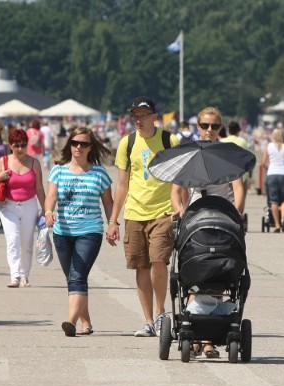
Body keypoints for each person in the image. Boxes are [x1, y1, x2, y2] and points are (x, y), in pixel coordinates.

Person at [170, 107, 246, 359]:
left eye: (214, 126)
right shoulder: (188, 155)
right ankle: (198, 335)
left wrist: (235, 215)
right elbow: (176, 191)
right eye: (205, 125)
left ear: (220, 129)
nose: (209, 131)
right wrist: (180, 211)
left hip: (222, 219)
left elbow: (238, 189)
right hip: (194, 221)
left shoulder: (226, 155)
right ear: (198, 126)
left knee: (218, 275)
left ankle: (207, 339)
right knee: (194, 274)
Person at [106, 96, 179, 337]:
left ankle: (160, 313)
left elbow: (180, 178)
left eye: (143, 115)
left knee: (159, 261)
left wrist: (180, 206)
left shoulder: (169, 140)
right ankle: (148, 320)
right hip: (135, 213)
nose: (138, 119)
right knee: (141, 266)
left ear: (154, 117)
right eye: (135, 115)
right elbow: (122, 184)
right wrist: (114, 220)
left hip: (162, 212)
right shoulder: (127, 144)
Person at [44, 127, 114, 337]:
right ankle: (87, 323)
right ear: (69, 145)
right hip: (62, 232)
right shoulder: (58, 170)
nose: (78, 147)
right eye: (75, 143)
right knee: (73, 278)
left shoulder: (99, 173)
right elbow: (51, 196)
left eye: (83, 144)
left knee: (77, 277)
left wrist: (113, 224)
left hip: (90, 231)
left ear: (90, 148)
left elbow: (108, 203)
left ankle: (70, 321)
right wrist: (48, 211)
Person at [0, 128, 46, 288]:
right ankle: (15, 276)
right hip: (8, 206)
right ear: (10, 145)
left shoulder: (35, 163)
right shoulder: (3, 161)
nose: (20, 149)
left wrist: (46, 210)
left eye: (23, 145)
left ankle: (25, 276)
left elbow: (40, 188)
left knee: (27, 243)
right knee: (13, 240)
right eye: (17, 145)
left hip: (30, 205)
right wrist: (0, 176)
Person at [260, 128, 284, 232]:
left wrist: (268, 169)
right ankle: (283, 219)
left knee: (274, 201)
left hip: (272, 174)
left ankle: (277, 225)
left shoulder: (269, 147)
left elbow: (262, 163)